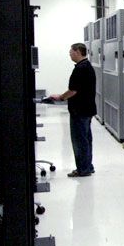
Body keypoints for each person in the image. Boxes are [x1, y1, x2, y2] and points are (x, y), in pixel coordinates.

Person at [49, 43, 96, 177]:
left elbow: (73, 90)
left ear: (78, 52)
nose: (69, 54)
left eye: (71, 51)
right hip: (87, 109)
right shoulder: (87, 66)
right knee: (86, 139)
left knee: (79, 141)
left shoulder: (80, 69)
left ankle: (83, 169)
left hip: (79, 111)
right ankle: (88, 166)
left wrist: (61, 97)